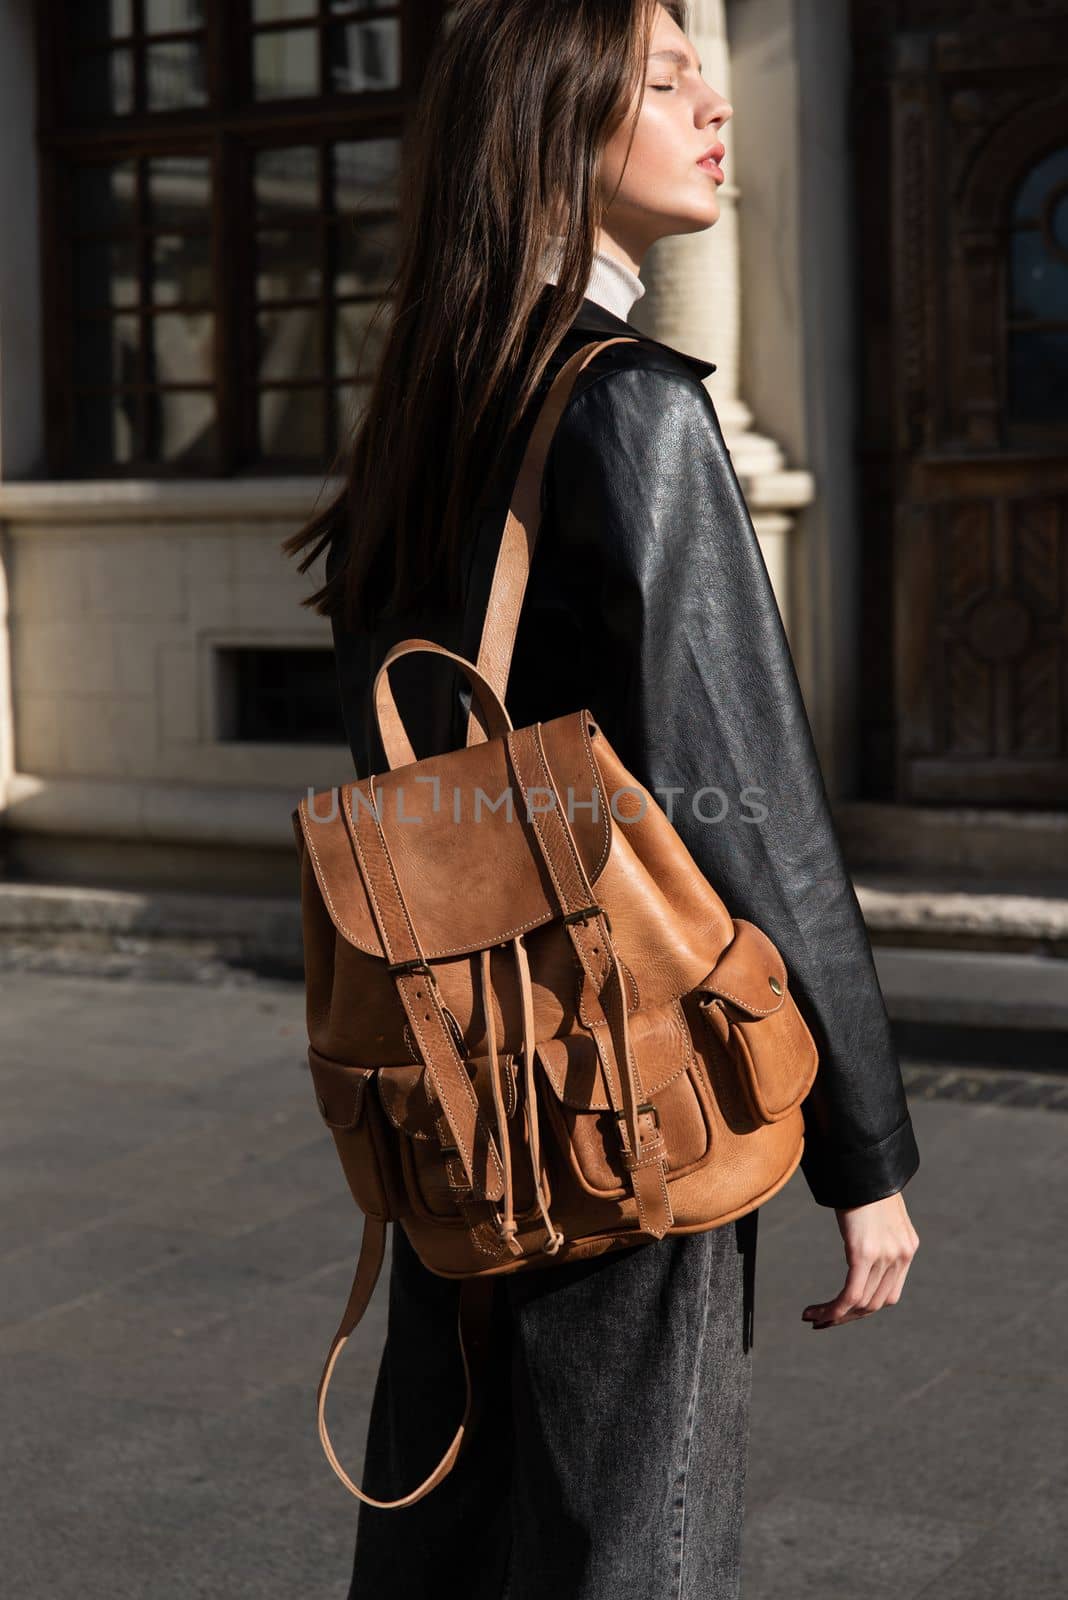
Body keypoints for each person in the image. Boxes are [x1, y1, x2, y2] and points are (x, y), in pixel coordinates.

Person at [282, 3, 921, 1596]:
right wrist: (866, 1147)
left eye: (711, 69)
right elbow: (745, 792)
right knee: (631, 1529)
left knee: (458, 1513)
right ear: (559, 125)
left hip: (453, 1066)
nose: (716, 108)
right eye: (663, 78)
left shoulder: (440, 393)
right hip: (623, 1081)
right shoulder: (627, 402)